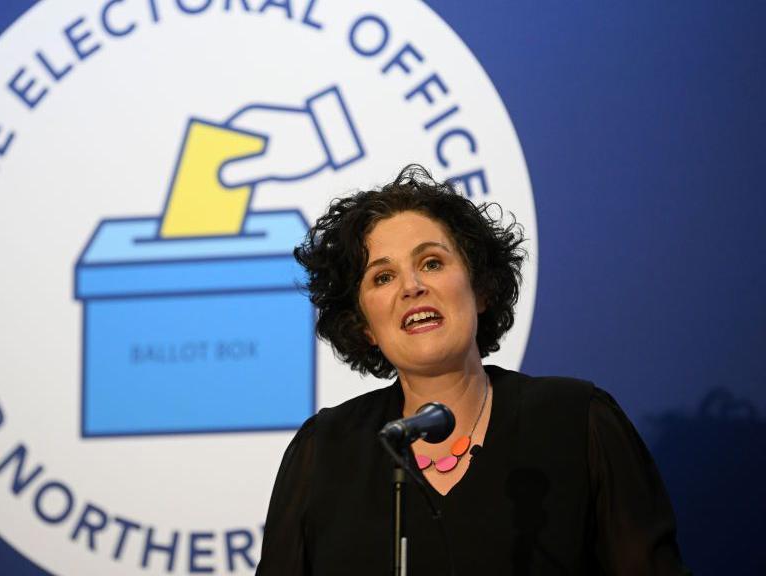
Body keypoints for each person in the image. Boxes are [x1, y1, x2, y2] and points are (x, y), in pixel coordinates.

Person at [255, 166, 687, 575]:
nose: (411, 287)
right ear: (364, 325)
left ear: (481, 289)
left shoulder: (577, 421)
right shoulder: (326, 449)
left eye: (432, 263)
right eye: (382, 277)